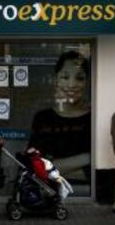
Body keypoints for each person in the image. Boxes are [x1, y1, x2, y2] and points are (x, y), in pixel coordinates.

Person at [28, 50, 91, 189]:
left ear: (87, 82)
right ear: (56, 79)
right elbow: (37, 164)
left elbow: (92, 173)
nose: (72, 84)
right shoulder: (43, 118)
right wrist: (87, 158)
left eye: (79, 78)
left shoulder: (92, 118)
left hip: (85, 190)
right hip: (49, 189)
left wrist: (56, 166)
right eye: (65, 77)